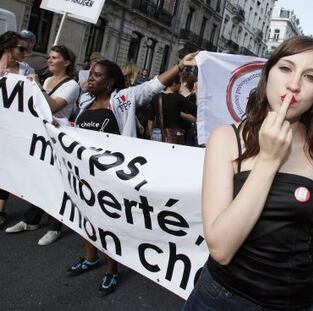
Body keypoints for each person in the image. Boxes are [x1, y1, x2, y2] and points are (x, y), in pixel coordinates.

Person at [183, 36, 313, 311]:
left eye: (311, 77)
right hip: (221, 299)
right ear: (267, 72)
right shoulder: (225, 139)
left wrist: (310, 299)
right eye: (285, 68)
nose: (294, 85)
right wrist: (269, 160)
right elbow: (221, 249)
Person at [66, 52, 198, 296]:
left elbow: (153, 85)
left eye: (97, 75)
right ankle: (90, 258)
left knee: (109, 224)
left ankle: (111, 269)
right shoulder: (84, 102)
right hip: (86, 174)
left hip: (112, 176)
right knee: (85, 216)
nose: (90, 79)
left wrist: (179, 65)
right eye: (91, 75)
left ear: (111, 82)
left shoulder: (123, 99)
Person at [5, 45, 80, 246]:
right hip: (41, 135)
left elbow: (54, 106)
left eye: (55, 57)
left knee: (57, 181)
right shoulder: (47, 80)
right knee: (38, 177)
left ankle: (56, 226)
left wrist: (37, 88)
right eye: (49, 57)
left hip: (58, 139)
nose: (49, 60)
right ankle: (31, 220)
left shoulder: (72, 85)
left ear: (67, 62)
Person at [0, 31, 35, 229]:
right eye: (21, 48)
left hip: (11, 127)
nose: (25, 52)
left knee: (4, 168)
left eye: (27, 48)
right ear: (8, 48)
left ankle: (1, 209)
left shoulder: (26, 71)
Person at [147, 75, 196, 143]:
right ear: (174, 84)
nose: (180, 86)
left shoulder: (156, 97)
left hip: (157, 133)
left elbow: (150, 119)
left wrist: (150, 134)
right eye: (179, 83)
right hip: (173, 134)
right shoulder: (178, 98)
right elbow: (195, 109)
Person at [179, 72, 198, 146]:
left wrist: (179, 113)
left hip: (185, 133)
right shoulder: (177, 96)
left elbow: (194, 119)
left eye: (179, 81)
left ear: (184, 83)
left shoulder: (191, 98)